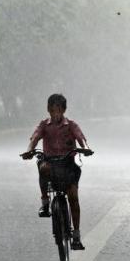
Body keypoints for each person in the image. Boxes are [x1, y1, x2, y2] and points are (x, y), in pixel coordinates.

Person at [21, 93, 91, 250]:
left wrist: (85, 149)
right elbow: (34, 138)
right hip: (51, 164)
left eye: (58, 110)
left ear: (64, 110)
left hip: (68, 165)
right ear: (48, 110)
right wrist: (28, 151)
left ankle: (77, 236)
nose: (55, 114)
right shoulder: (44, 125)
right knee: (42, 167)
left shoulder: (71, 125)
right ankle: (45, 203)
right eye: (52, 110)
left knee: (73, 197)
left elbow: (81, 139)